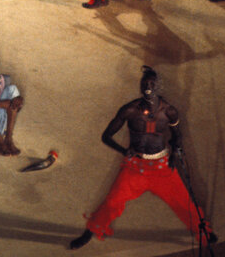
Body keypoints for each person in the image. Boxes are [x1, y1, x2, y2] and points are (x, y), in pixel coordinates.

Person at [69, 67, 216, 250]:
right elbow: (106, 136)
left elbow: (177, 135)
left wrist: (176, 150)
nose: (148, 87)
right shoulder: (129, 110)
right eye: (144, 83)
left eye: (152, 83)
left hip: (162, 167)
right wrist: (123, 151)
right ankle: (90, 232)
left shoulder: (169, 111)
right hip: (135, 167)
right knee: (113, 200)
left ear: (159, 87)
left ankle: (203, 232)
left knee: (184, 201)